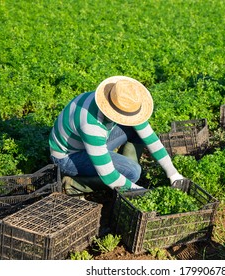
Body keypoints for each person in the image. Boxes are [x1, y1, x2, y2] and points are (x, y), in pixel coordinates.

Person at [49, 76, 184, 195]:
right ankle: (74, 184)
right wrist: (142, 193)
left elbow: (150, 138)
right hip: (68, 157)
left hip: (86, 143)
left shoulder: (114, 101)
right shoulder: (92, 126)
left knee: (136, 131)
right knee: (132, 172)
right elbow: (109, 177)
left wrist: (173, 174)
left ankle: (126, 170)